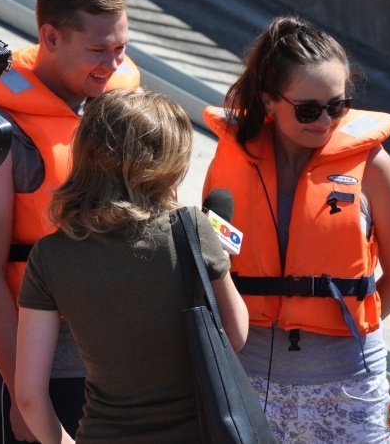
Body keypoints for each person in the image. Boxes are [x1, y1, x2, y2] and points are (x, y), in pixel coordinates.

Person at [203, 15, 390, 443]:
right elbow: (212, 268)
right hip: (248, 381)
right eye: (308, 109)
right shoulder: (230, 163)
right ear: (269, 100)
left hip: (347, 388)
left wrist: (346, 331)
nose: (325, 120)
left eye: (336, 106)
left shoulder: (372, 166)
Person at [0, 0, 140, 443]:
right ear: (51, 37)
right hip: (46, 368)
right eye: (99, 50)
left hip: (122, 362)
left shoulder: (117, 105)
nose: (113, 64)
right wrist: (24, 394)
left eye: (121, 49)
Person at [13, 89, 249, 444]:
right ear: (167, 168)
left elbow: (29, 395)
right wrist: (219, 262)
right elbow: (235, 334)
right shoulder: (191, 231)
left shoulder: (49, 256)